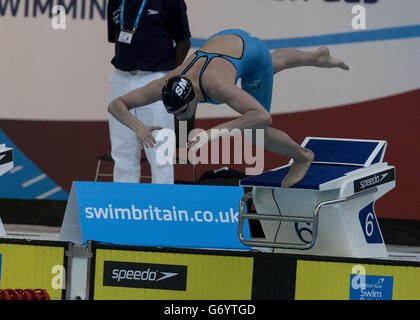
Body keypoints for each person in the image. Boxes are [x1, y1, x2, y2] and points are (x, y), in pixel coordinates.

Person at [108, 29, 349, 188]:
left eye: (183, 111)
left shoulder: (216, 85)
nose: (180, 117)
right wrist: (138, 127)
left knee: (255, 132)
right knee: (276, 62)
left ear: (195, 98)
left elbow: (262, 117)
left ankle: (302, 156)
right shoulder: (165, 83)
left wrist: (216, 132)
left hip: (249, 55)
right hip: (228, 42)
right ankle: (317, 57)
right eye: (174, 113)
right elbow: (116, 105)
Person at [106, 0, 191, 184]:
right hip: (121, 77)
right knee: (122, 150)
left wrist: (169, 74)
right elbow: (118, 37)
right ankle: (124, 208)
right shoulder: (115, 1)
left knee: (160, 150)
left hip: (155, 78)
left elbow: (184, 41)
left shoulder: (171, 2)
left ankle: (161, 208)